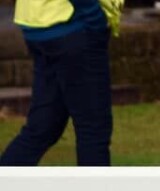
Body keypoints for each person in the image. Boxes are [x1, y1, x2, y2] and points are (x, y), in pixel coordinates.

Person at [0, 0, 120, 166]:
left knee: (43, 127)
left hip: (40, 24)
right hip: (72, 23)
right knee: (93, 130)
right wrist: (94, 17)